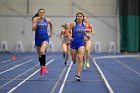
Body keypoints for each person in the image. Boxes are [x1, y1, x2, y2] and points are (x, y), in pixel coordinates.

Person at [66, 12, 90, 81]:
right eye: (78, 16)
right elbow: (67, 31)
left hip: (81, 43)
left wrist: (86, 35)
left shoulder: (84, 24)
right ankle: (74, 59)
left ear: (82, 18)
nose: (79, 17)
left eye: (80, 16)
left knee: (80, 58)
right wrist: (70, 37)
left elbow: (83, 31)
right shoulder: (73, 24)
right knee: (74, 61)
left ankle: (78, 75)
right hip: (73, 44)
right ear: (76, 17)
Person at [32, 8, 53, 75]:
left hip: (45, 38)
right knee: (40, 54)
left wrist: (51, 33)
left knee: (42, 51)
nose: (41, 13)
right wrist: (36, 23)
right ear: (38, 13)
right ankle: (42, 66)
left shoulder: (47, 20)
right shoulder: (35, 19)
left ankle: (44, 67)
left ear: (44, 13)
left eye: (43, 12)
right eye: (40, 12)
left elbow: (51, 25)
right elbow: (33, 29)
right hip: (37, 38)